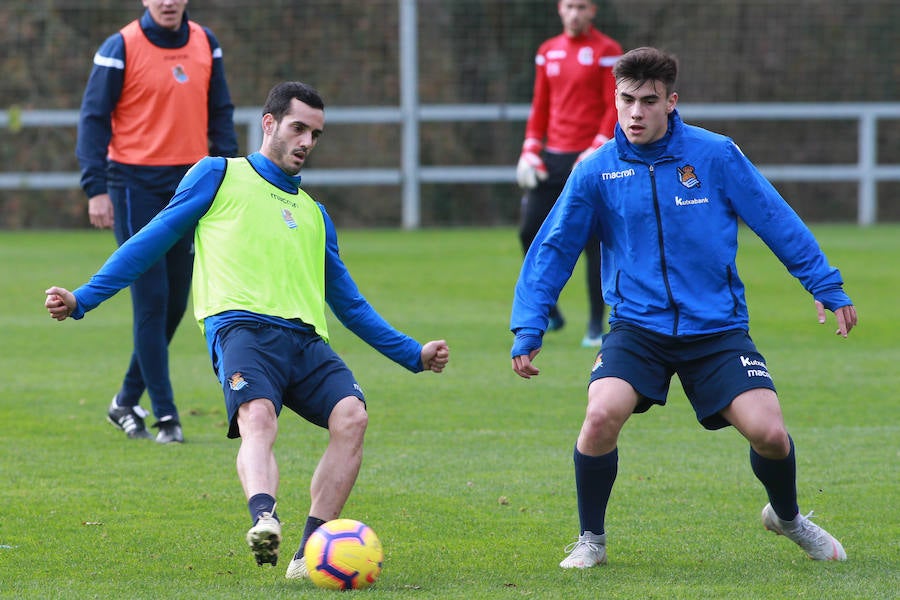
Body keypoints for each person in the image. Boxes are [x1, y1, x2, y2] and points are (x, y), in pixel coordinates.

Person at [48, 81, 451, 576]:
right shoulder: (218, 175)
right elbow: (150, 240)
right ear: (269, 123)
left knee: (353, 418)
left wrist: (413, 353)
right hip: (239, 329)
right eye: (298, 128)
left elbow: (351, 304)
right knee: (257, 417)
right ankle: (264, 516)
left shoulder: (316, 215)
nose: (306, 142)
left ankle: (307, 555)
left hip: (306, 341)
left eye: (316, 134)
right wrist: (83, 297)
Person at [510, 47, 856, 567]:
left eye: (648, 102)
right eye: (626, 100)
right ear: (615, 98)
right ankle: (591, 541)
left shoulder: (714, 155)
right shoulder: (597, 171)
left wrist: (824, 283)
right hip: (637, 328)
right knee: (601, 413)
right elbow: (553, 249)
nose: (635, 113)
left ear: (671, 102)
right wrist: (529, 325)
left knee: (769, 433)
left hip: (716, 328)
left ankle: (787, 518)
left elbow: (773, 216)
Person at [76, 0, 239, 443]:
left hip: (191, 185)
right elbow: (93, 120)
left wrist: (230, 174)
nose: (167, 1)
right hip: (133, 186)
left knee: (174, 306)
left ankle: (126, 400)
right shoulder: (120, 47)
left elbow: (221, 114)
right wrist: (96, 188)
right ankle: (167, 418)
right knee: (151, 300)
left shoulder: (207, 43)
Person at [515, 0, 622, 347]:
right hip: (554, 158)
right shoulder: (548, 51)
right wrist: (531, 147)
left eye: (582, 6)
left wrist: (598, 145)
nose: (574, 13)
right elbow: (540, 104)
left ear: (593, 11)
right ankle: (550, 311)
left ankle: (595, 324)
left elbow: (613, 104)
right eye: (569, 6)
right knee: (529, 229)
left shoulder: (607, 51)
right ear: (559, 10)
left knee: (593, 243)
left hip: (590, 158)